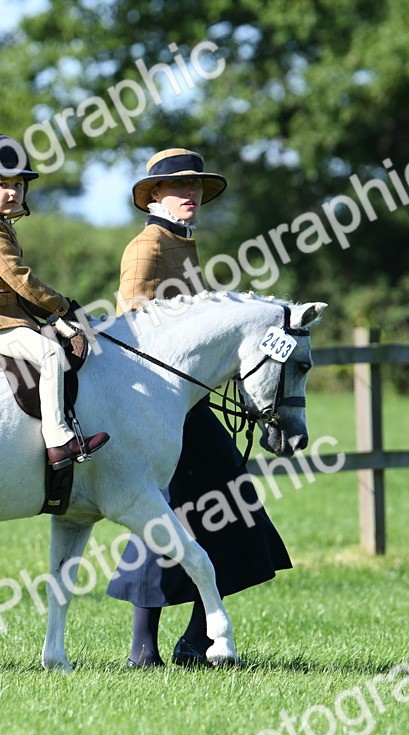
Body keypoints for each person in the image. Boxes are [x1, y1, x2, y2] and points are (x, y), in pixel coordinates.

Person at [106, 148, 293, 667]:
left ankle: (196, 642)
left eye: (197, 188)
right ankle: (143, 651)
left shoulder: (184, 245)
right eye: (179, 187)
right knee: (163, 518)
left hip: (189, 403)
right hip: (156, 406)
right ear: (154, 196)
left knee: (231, 510)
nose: (191, 196)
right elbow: (136, 328)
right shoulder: (146, 248)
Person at [0, 133, 109, 469]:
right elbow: (21, 280)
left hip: (2, 314)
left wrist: (53, 319)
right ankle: (58, 439)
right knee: (49, 353)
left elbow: (15, 290)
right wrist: (64, 306)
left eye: (19, 184)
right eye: (3, 184)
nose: (14, 192)